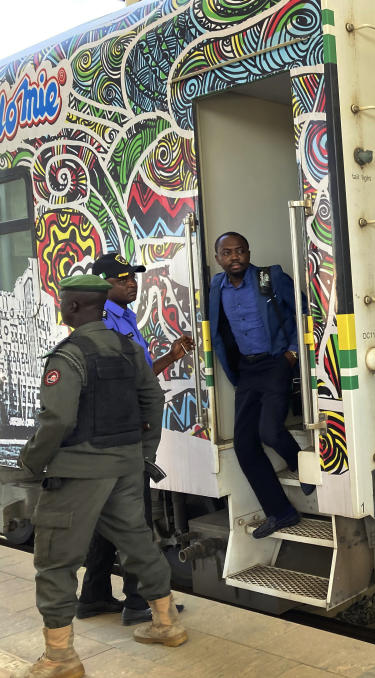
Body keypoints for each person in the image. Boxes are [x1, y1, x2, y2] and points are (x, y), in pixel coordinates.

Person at [15, 274, 187, 678]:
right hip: (126, 466)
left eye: (62, 302)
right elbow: (153, 399)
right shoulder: (128, 349)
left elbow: (56, 420)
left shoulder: (69, 356)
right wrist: (144, 453)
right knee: (136, 541)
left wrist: (29, 464)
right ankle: (166, 623)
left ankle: (60, 660)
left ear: (73, 307)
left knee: (56, 561)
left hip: (78, 473)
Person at [76, 252, 194, 625]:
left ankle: (93, 596)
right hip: (121, 437)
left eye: (133, 277)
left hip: (127, 432)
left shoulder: (124, 317)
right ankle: (140, 601)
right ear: (103, 285)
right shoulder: (102, 324)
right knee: (134, 517)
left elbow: (138, 375)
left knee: (112, 516)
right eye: (123, 278)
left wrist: (169, 358)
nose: (132, 283)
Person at [208, 232, 314, 539]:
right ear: (218, 258)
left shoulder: (270, 277)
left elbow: (304, 311)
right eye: (227, 253)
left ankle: (301, 467)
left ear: (248, 252)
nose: (234, 256)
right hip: (246, 369)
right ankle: (281, 512)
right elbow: (217, 329)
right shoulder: (216, 286)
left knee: (269, 431)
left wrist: (293, 353)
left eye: (240, 251)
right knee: (244, 444)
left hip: (276, 362)